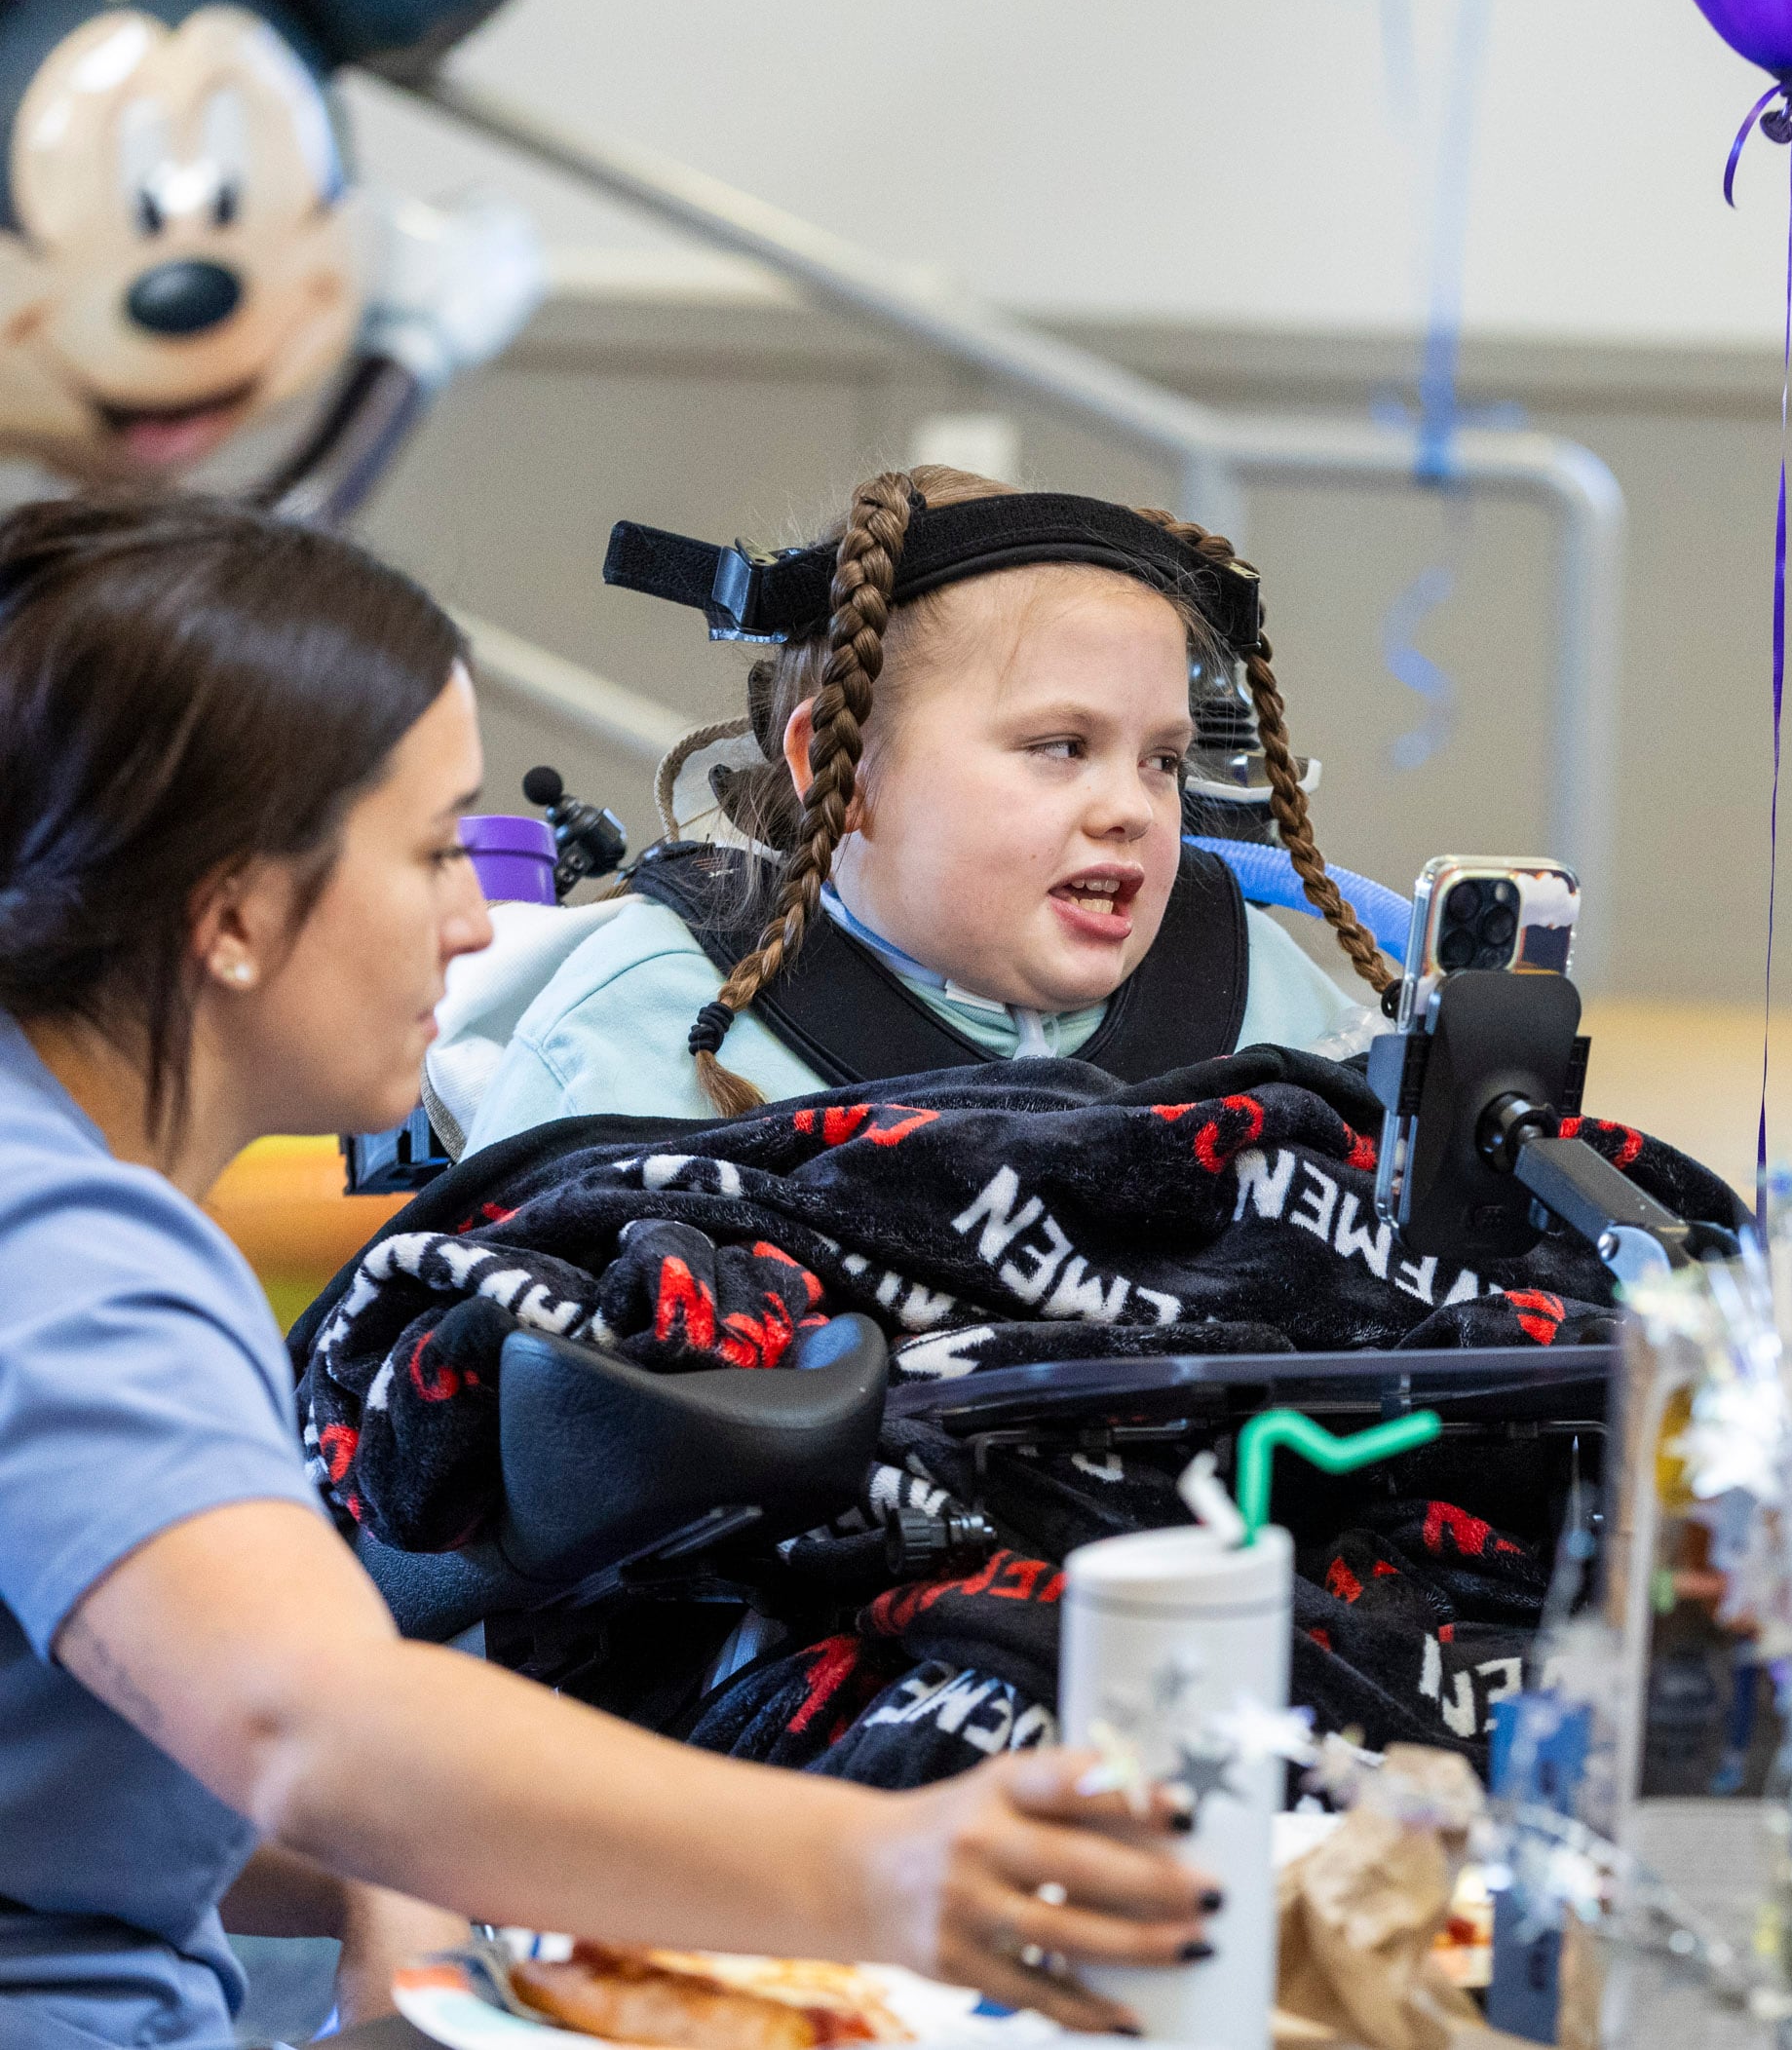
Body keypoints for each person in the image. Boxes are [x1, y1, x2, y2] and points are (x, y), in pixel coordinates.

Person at [0, 494, 1216, 2047]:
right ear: (233, 911)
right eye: (435, 849)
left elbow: (120, 1783)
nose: (471, 923)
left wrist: (406, 1891)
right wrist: (891, 1867)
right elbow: (307, 1724)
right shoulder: (75, 1268)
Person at [451, 464, 1394, 1152]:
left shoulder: (1266, 997)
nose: (1132, 809)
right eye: (1061, 746)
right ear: (843, 765)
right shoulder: (637, 1026)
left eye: (1161, 759)